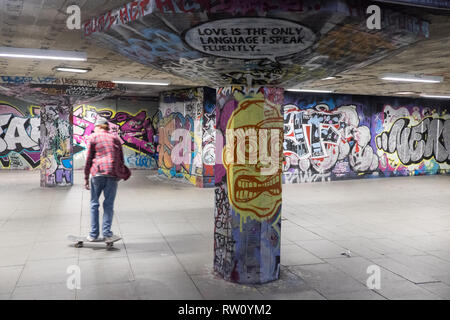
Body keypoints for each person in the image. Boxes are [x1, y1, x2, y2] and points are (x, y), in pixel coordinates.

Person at [84, 117, 131, 242]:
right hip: (112, 174)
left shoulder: (93, 137)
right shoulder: (115, 138)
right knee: (109, 205)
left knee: (94, 204)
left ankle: (93, 235)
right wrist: (120, 174)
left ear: (98, 127)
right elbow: (121, 159)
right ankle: (107, 233)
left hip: (97, 174)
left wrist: (85, 177)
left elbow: (88, 159)